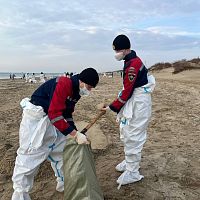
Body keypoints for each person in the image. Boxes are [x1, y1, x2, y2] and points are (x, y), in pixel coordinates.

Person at [11, 68, 99, 200]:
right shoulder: (64, 84)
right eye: (89, 87)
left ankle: (64, 184)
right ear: (82, 81)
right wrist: (74, 134)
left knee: (60, 152)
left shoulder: (77, 92)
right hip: (36, 119)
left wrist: (76, 131)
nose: (89, 90)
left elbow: (67, 114)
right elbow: (54, 114)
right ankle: (20, 195)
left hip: (51, 118)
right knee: (29, 156)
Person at [101, 35, 155, 188]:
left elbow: (127, 92)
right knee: (127, 131)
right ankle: (129, 161)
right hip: (136, 100)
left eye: (117, 50)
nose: (116, 53)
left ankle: (133, 172)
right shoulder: (130, 61)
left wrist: (111, 107)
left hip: (138, 104)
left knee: (133, 134)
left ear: (124, 49)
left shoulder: (132, 65)